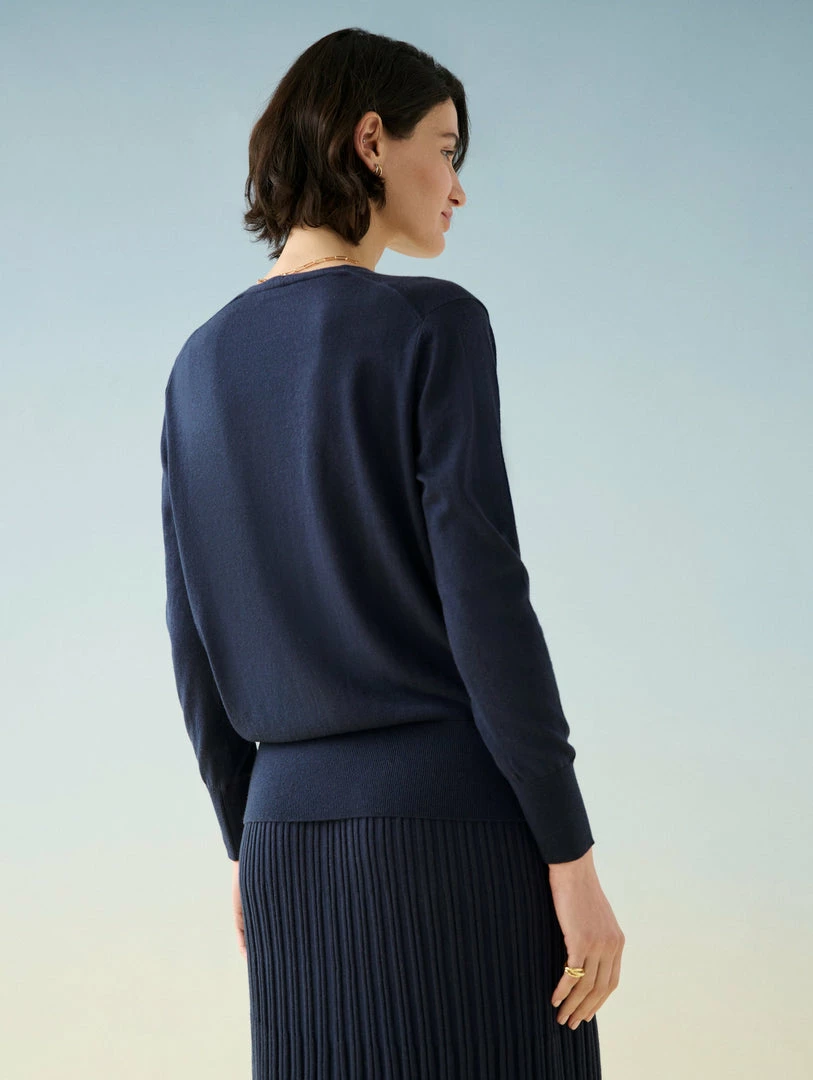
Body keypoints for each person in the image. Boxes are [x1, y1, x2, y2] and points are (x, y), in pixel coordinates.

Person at [160, 25, 624, 1080]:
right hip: (450, 825)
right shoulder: (434, 326)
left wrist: (245, 840)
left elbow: (192, 644)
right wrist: (571, 855)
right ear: (371, 141)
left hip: (284, 838)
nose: (457, 189)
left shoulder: (196, 366)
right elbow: (485, 602)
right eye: (445, 151)